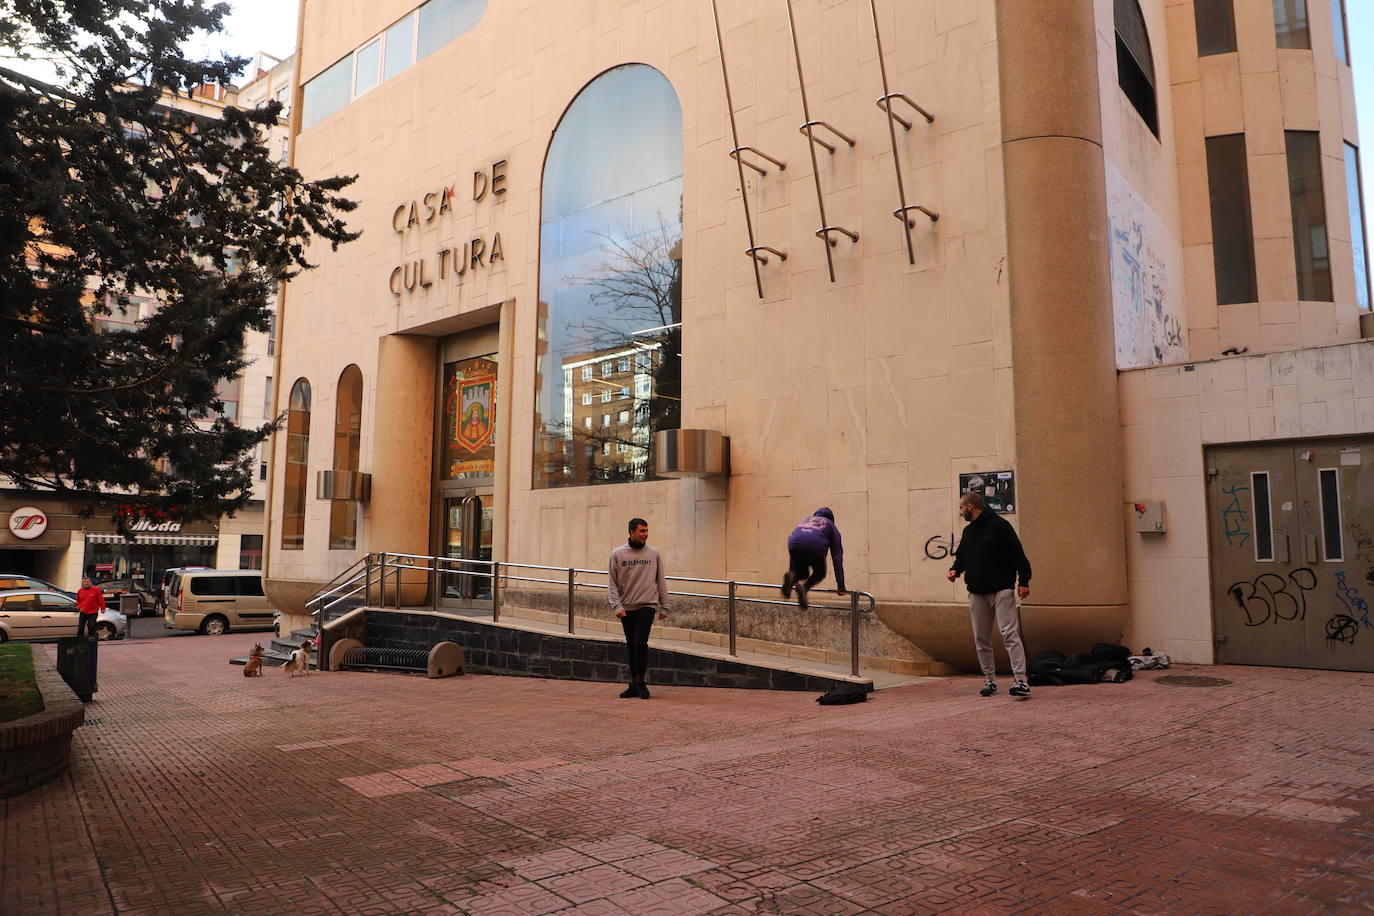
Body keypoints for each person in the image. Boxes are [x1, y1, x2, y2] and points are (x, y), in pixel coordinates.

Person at [947, 491, 1033, 698]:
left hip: (1001, 589)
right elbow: (962, 556)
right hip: (976, 592)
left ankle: (1021, 681)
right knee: (981, 638)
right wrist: (955, 570)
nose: (960, 512)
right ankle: (989, 681)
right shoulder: (968, 532)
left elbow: (1017, 554)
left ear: (970, 507)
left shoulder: (1000, 526)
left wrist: (1023, 581)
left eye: (961, 508)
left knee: (1009, 634)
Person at [607, 517, 669, 699]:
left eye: (647, 531)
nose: (645, 535)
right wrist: (616, 605)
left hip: (647, 604)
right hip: (626, 607)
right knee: (631, 645)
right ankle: (634, 683)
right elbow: (612, 582)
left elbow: (661, 580)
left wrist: (665, 606)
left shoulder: (654, 554)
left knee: (640, 643)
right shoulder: (617, 554)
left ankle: (641, 682)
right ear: (631, 532)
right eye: (642, 531)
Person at [781, 508, 846, 609]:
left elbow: (797, 542)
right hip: (815, 546)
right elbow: (837, 557)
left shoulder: (806, 520)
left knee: (803, 573)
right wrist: (841, 585)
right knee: (819, 573)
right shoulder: (831, 526)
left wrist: (792, 574)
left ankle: (792, 577)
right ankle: (804, 588)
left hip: (794, 544)